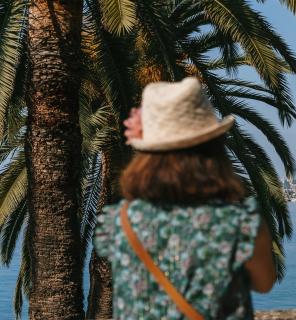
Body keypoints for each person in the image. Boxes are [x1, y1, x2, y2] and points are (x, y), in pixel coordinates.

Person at [94, 77, 276, 319]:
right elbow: (264, 283)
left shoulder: (119, 222)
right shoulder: (240, 223)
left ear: (146, 153)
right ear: (215, 150)